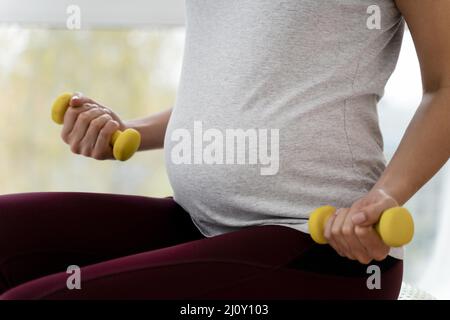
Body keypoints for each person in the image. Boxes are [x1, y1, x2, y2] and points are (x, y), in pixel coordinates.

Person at [0, 0, 449, 299]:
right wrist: (129, 128)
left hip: (321, 247)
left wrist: (385, 197)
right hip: (200, 223)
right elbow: (243, 90)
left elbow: (446, 86)